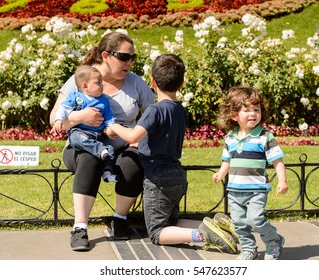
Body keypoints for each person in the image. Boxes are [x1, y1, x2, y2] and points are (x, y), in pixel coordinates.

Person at [108, 54, 238, 254]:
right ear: (182, 82)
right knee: (171, 221)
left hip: (158, 178)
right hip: (176, 174)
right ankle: (215, 225)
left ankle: (204, 234)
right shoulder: (179, 110)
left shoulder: (155, 110)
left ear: (152, 81)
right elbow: (155, 137)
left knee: (158, 232)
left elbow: (133, 134)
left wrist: (115, 126)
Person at [49, 31, 155, 251]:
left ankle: (120, 219)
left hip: (122, 146)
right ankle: (80, 228)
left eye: (132, 57)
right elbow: (54, 118)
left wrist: (139, 137)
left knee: (132, 161)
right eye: (124, 57)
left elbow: (153, 115)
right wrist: (79, 117)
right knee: (90, 158)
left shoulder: (135, 83)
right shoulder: (83, 78)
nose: (130, 63)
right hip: (83, 145)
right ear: (106, 55)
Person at [212, 86, 288, 260]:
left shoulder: (265, 136)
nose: (253, 113)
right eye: (246, 110)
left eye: (256, 109)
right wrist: (221, 173)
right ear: (234, 115)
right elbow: (227, 160)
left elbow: (277, 160)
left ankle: (274, 241)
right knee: (238, 222)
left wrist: (282, 181)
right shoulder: (230, 137)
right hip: (235, 189)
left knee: (255, 219)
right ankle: (248, 248)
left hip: (256, 189)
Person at [52, 65, 118, 183]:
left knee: (111, 149)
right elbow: (64, 108)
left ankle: (107, 172)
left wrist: (110, 128)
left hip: (99, 135)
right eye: (98, 83)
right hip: (81, 132)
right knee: (76, 138)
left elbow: (109, 117)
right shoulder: (76, 97)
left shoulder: (104, 100)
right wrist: (58, 120)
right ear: (85, 85)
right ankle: (99, 150)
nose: (102, 85)